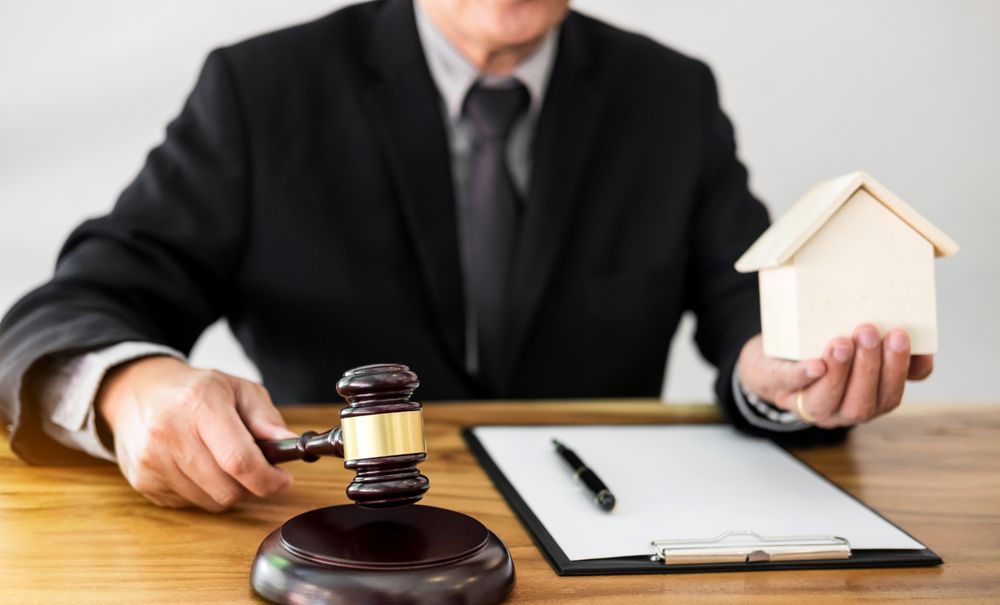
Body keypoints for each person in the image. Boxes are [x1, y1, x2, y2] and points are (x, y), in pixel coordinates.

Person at [0, 0, 932, 512]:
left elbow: (752, 318)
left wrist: (787, 378)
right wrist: (133, 391)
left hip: (613, 558)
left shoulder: (671, 96)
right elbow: (81, 301)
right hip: (338, 546)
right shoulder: (260, 89)